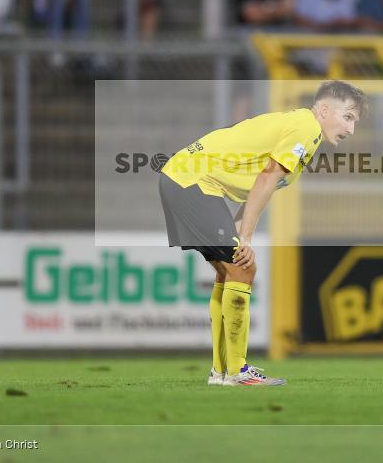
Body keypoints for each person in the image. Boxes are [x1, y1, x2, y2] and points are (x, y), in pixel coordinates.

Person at [158, 80, 368, 386]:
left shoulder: (301, 130)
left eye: (355, 121)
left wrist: (240, 231)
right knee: (244, 266)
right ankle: (237, 371)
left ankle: (222, 372)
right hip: (192, 181)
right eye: (347, 117)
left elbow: (258, 186)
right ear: (323, 110)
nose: (351, 129)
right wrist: (245, 237)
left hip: (185, 179)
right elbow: (268, 179)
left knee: (229, 270)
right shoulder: (306, 129)